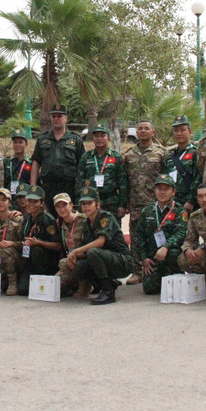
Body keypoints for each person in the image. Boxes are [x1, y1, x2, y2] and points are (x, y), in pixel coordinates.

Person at [64, 187, 133, 305]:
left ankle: (108, 292)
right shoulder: (87, 224)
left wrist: (75, 251)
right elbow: (85, 249)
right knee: (78, 266)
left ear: (98, 204)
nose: (86, 207)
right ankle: (107, 283)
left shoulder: (106, 218)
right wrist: (73, 257)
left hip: (122, 261)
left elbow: (100, 242)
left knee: (93, 252)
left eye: (89, 203)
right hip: (104, 259)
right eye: (83, 204)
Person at [123, 119, 166, 285]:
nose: (143, 131)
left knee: (157, 235)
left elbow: (167, 179)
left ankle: (158, 269)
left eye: (146, 128)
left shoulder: (161, 153)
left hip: (156, 203)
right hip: (135, 203)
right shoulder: (129, 155)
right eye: (140, 128)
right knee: (135, 236)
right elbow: (124, 181)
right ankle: (137, 270)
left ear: (153, 132)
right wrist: (124, 202)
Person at [30, 104, 85, 217]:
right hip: (48, 188)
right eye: (54, 116)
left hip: (69, 188)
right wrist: (33, 187)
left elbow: (82, 166)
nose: (56, 119)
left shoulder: (76, 140)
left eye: (59, 116)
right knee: (48, 220)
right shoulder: (42, 139)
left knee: (69, 219)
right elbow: (36, 163)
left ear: (66, 118)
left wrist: (81, 190)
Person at [136, 175, 187, 295]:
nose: (162, 192)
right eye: (159, 189)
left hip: (171, 254)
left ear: (173, 192)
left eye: (166, 189)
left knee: (174, 286)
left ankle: (175, 274)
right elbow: (139, 235)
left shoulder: (179, 210)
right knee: (150, 289)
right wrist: (144, 258)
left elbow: (181, 233)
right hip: (153, 256)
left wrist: (166, 247)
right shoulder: (147, 211)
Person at [16, 185, 62, 296]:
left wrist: (39, 242)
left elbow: (57, 245)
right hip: (29, 260)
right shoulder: (26, 218)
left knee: (36, 249)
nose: (31, 204)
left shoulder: (48, 220)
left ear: (41, 203)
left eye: (35, 202)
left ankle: (45, 278)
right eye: (29, 201)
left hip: (46, 261)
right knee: (23, 290)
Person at [77, 123, 127, 218]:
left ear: (108, 138)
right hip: (91, 201)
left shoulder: (116, 156)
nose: (99, 139)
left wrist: (122, 205)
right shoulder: (86, 157)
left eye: (102, 136)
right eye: (96, 136)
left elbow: (123, 183)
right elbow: (80, 181)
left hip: (111, 202)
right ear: (93, 138)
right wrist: (80, 202)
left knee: (112, 227)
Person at [53, 193, 91, 298]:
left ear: (71, 205)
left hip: (85, 258)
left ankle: (86, 285)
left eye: (64, 205)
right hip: (69, 261)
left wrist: (77, 254)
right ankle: (73, 285)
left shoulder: (84, 220)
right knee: (53, 289)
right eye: (58, 206)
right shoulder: (59, 224)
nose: (61, 209)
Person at [0, 188, 24, 295]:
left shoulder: (17, 220)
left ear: (9, 203)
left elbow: (25, 243)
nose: (0, 202)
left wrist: (12, 243)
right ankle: (5, 280)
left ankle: (13, 283)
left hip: (16, 257)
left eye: (4, 200)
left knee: (4, 250)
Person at [162, 115, 201, 213]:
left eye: (183, 130)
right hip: (172, 202)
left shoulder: (195, 153)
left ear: (190, 132)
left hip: (189, 203)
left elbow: (198, 178)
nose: (179, 133)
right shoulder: (170, 156)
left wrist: (191, 201)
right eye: (176, 130)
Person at [4, 128, 33, 195]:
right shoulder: (7, 162)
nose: (17, 145)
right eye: (15, 142)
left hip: (25, 198)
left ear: (26, 144)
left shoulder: (31, 163)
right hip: (8, 197)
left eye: (20, 142)